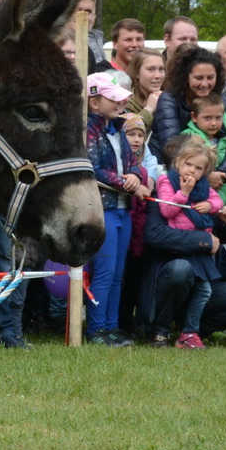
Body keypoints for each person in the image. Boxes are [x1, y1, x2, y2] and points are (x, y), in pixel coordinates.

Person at [83, 74, 143, 345]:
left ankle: (112, 326)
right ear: (94, 102)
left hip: (122, 211)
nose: (121, 102)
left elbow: (133, 162)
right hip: (103, 210)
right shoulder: (88, 130)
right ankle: (96, 330)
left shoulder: (119, 128)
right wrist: (127, 183)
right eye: (113, 98)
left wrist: (136, 176)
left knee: (118, 272)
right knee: (104, 272)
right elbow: (92, 169)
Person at [154, 137, 224, 349]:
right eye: (188, 164)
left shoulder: (203, 186)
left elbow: (219, 201)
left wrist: (209, 204)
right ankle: (161, 328)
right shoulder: (166, 181)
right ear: (178, 163)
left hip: (200, 252)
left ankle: (189, 332)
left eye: (199, 167)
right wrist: (183, 194)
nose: (192, 171)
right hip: (180, 249)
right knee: (181, 279)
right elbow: (166, 210)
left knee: (204, 291)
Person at [149, 46, 223, 162]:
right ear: (186, 77)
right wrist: (204, 172)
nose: (205, 84)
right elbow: (171, 147)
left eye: (210, 78)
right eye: (199, 78)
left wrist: (224, 172)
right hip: (173, 168)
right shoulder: (169, 99)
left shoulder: (220, 98)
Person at [182, 94, 226, 210]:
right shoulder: (188, 137)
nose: (214, 123)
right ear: (194, 117)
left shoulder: (224, 142)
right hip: (199, 205)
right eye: (208, 118)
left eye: (218, 118)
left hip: (223, 207)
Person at [125, 46, 166, 123]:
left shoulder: (170, 99)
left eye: (161, 69)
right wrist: (148, 110)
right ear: (137, 72)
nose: (158, 76)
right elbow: (128, 131)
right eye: (151, 69)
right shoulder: (125, 103)